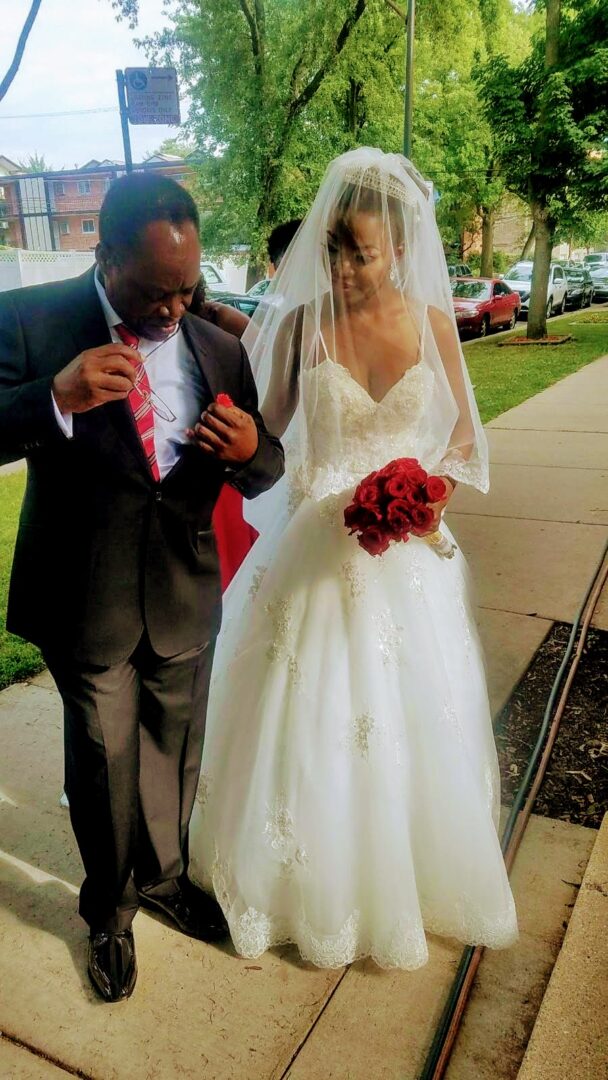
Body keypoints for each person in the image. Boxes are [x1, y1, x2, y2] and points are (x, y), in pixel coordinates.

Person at [188, 148, 518, 969]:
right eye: (332, 249)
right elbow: (264, 437)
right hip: (315, 548)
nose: (340, 267)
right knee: (307, 717)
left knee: (411, 720)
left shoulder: (435, 323)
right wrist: (239, 442)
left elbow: (465, 436)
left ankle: (403, 876)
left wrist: (427, 487)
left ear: (400, 249)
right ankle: (299, 879)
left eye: (359, 252)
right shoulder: (303, 325)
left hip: (410, 557)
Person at [0, 172, 284, 1001]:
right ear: (107, 252)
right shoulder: (31, 318)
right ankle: (110, 914)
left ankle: (164, 880)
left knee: (173, 754)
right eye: (157, 292)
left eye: (187, 288)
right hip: (85, 593)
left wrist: (247, 451)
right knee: (103, 757)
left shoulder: (222, 347)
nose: (173, 309)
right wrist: (53, 396)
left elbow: (267, 467)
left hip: (184, 590)